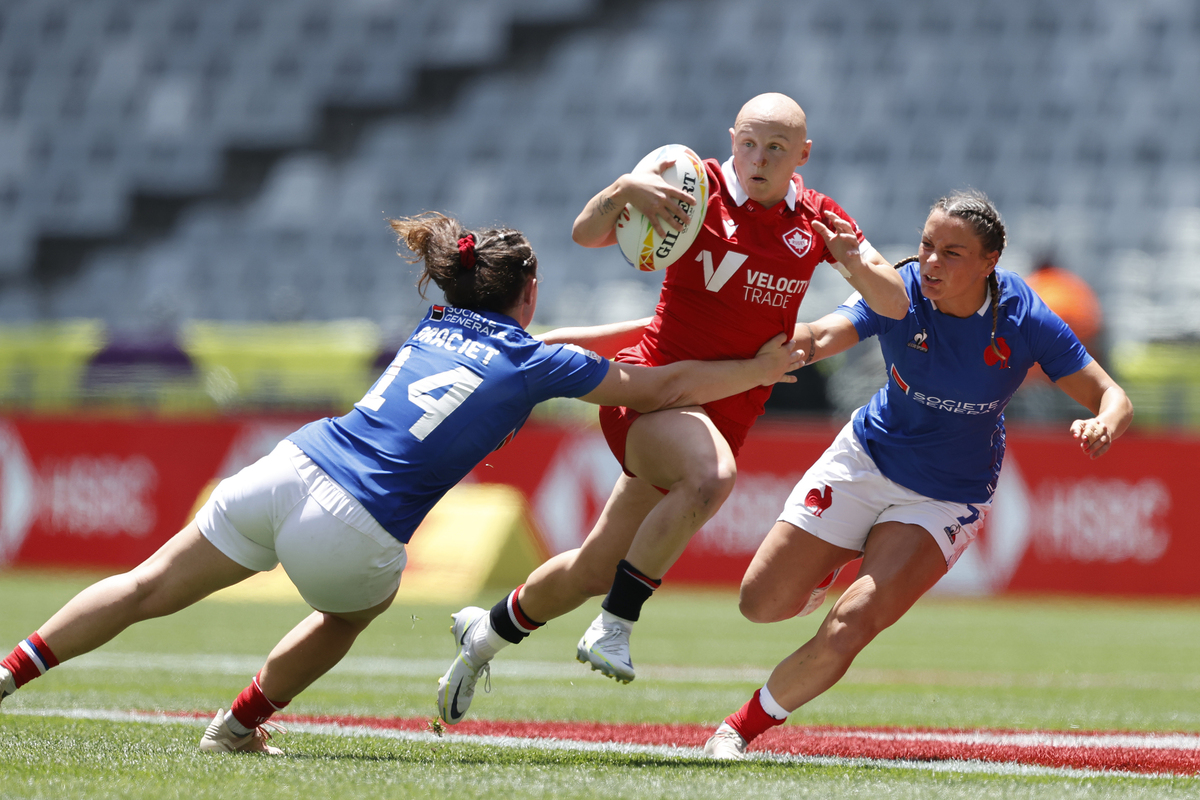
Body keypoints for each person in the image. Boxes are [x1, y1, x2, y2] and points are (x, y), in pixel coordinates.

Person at [0, 212, 804, 755]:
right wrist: (755, 368)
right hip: (355, 524)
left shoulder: (439, 321)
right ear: (528, 294)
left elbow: (581, 340)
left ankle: (12, 668)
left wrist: (656, 329)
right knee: (352, 611)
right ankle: (241, 723)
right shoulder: (533, 360)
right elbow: (659, 388)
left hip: (289, 467)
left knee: (145, 586)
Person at [437, 92, 910, 725]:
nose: (758, 158)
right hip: (651, 391)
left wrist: (852, 262)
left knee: (592, 567)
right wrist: (625, 187)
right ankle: (615, 625)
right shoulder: (695, 187)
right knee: (711, 477)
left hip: (723, 412)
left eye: (776, 147)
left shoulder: (819, 220)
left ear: (803, 153)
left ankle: (484, 637)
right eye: (748, 143)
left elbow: (896, 302)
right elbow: (587, 233)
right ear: (732, 139)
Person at [702, 190, 1134, 760]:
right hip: (866, 457)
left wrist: (1103, 424)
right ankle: (829, 566)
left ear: (989, 263)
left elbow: (1112, 395)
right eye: (928, 246)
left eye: (953, 253)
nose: (931, 262)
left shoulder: (1023, 315)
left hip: (944, 495)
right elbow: (828, 332)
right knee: (760, 602)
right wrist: (790, 350)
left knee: (853, 621)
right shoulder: (900, 290)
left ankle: (737, 728)